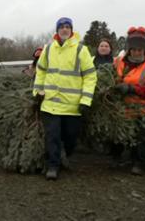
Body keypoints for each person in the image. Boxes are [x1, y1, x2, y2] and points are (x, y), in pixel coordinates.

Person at [33, 17, 97, 180]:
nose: (64, 29)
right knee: (52, 135)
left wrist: (85, 100)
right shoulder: (48, 49)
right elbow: (40, 71)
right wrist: (37, 92)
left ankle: (64, 155)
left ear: (71, 30)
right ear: (57, 31)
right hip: (50, 103)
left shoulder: (80, 50)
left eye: (67, 27)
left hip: (72, 105)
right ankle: (53, 166)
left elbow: (90, 76)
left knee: (70, 137)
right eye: (61, 27)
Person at [112, 26, 145, 175]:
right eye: (134, 49)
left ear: (144, 50)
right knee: (117, 135)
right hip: (121, 108)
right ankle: (115, 158)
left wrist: (131, 89)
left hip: (141, 110)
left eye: (140, 50)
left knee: (140, 138)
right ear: (129, 49)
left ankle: (138, 163)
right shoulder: (119, 62)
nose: (137, 52)